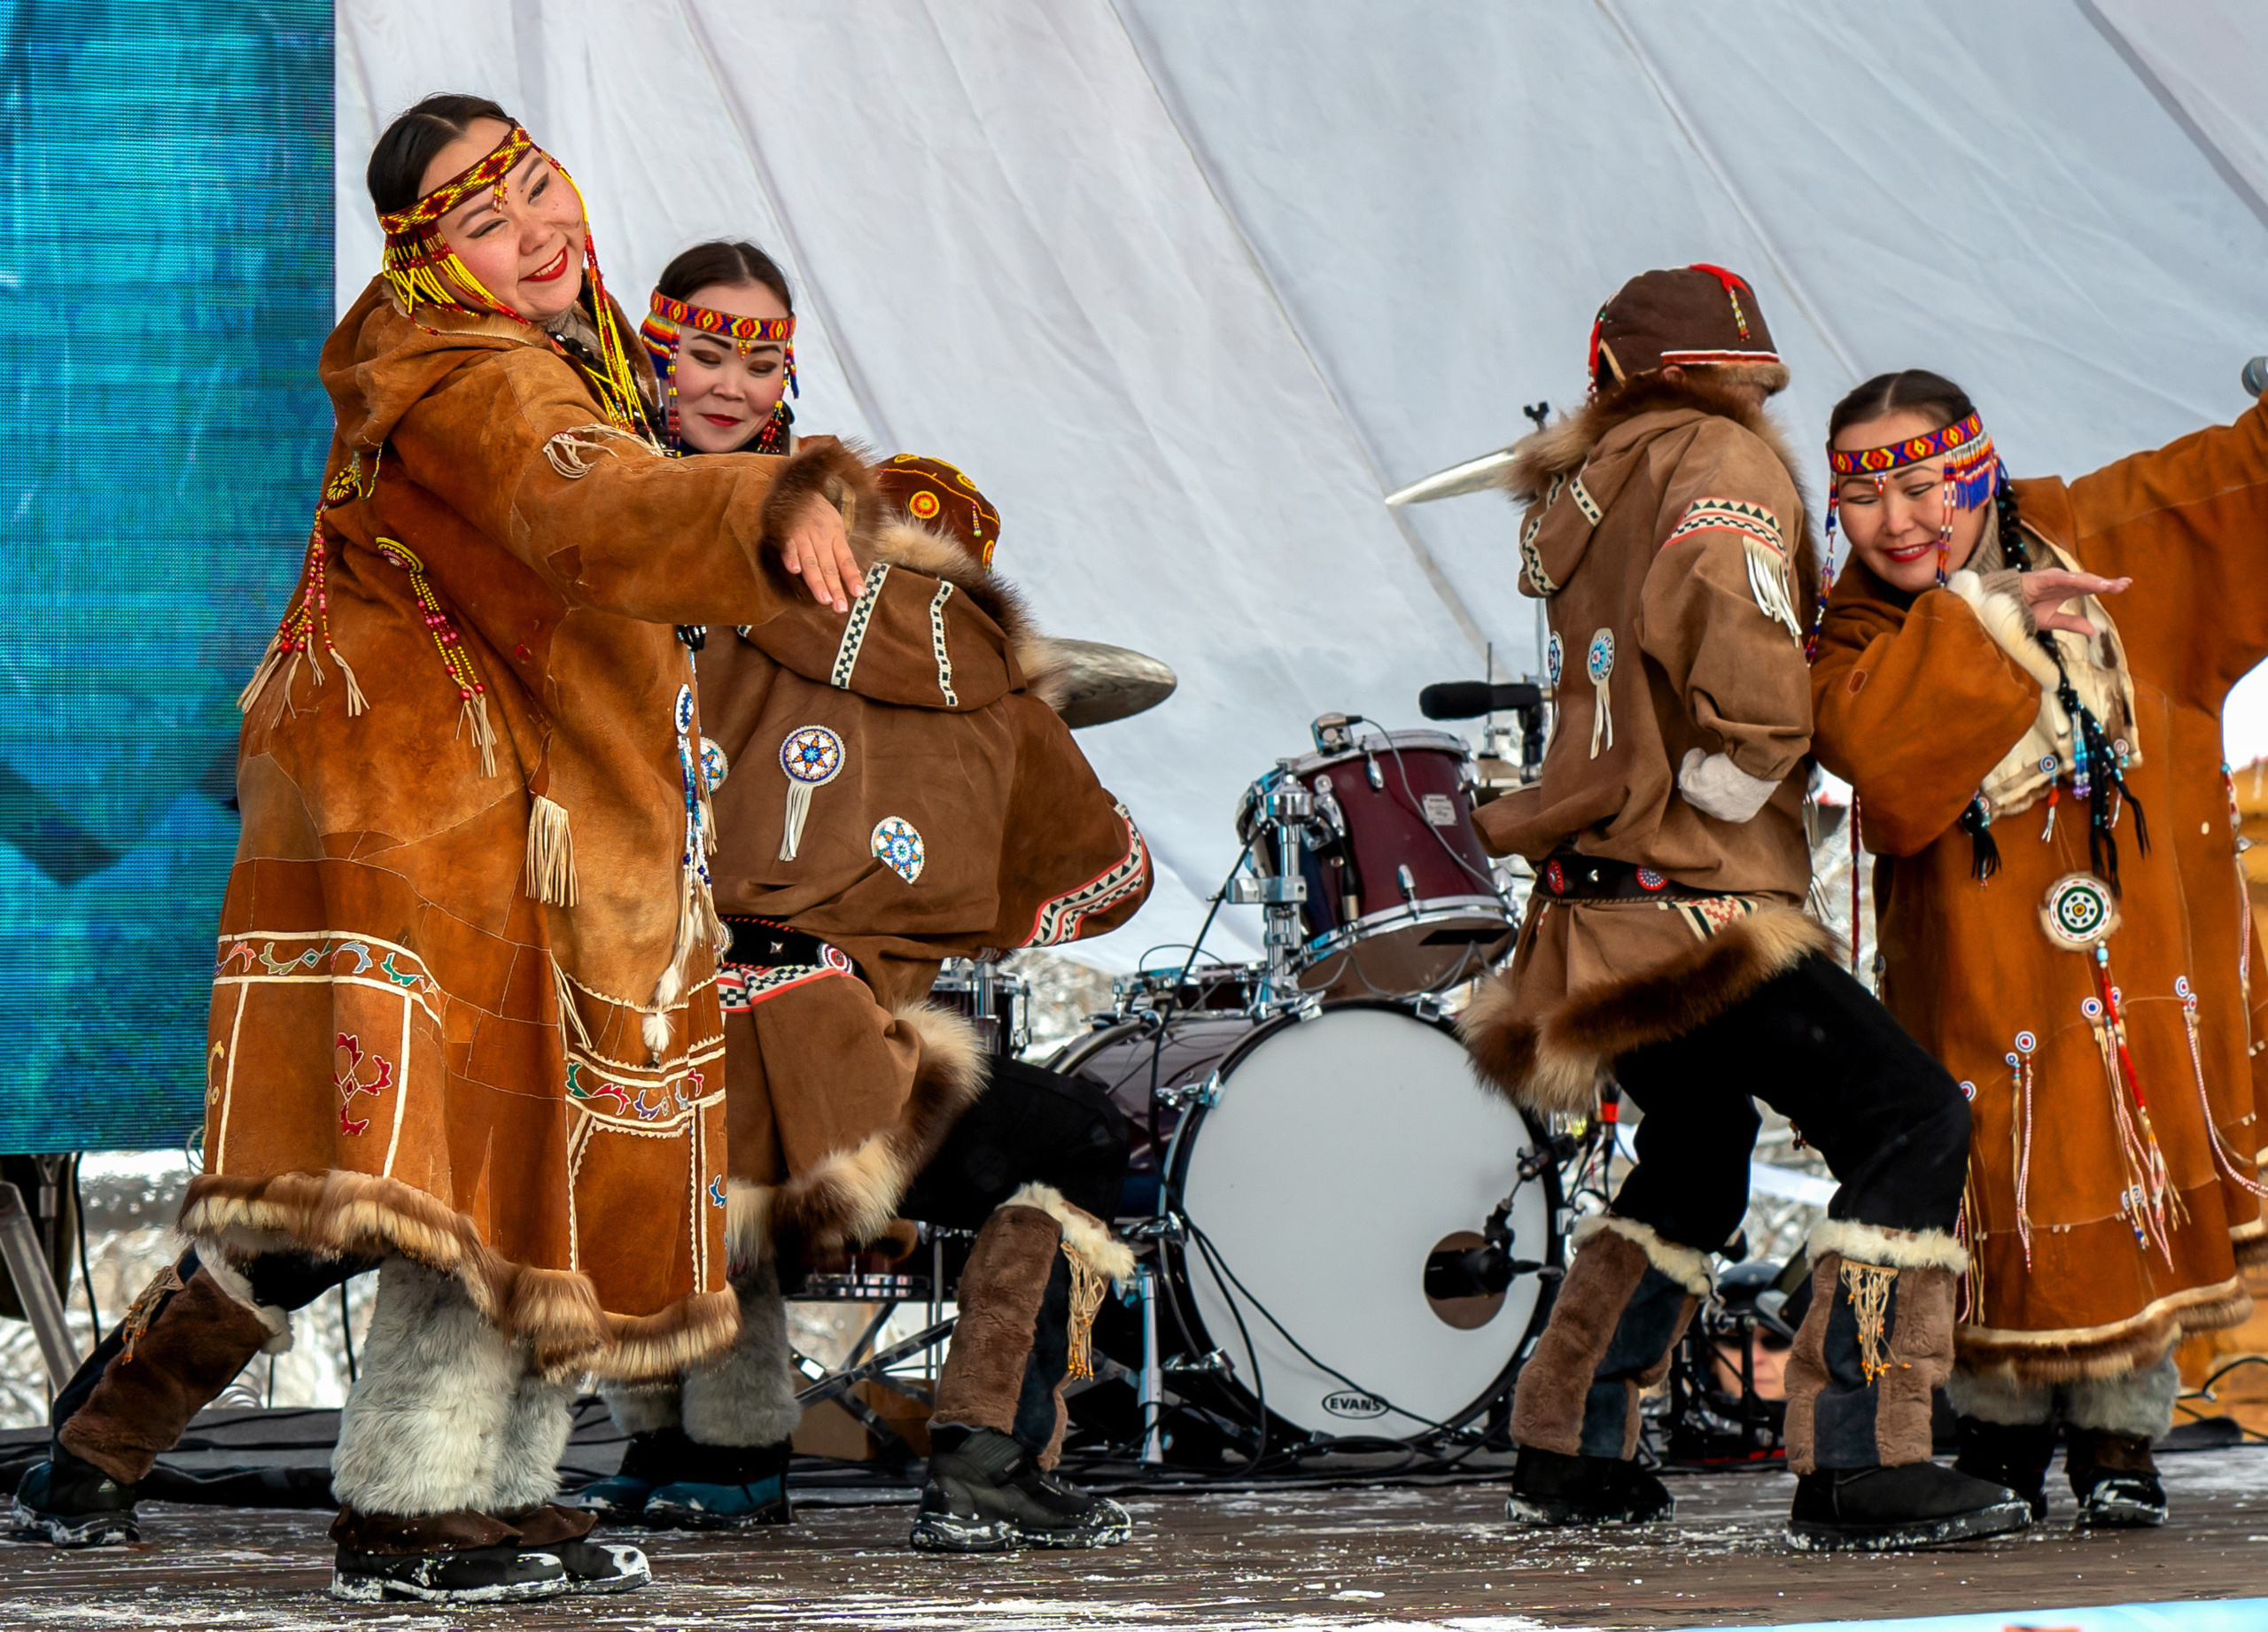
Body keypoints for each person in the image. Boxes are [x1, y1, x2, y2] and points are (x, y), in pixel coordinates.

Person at [39, 95, 886, 1605]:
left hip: (538, 818)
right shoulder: (470, 371)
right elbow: (592, 498)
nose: (538, 229)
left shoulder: (579, 347)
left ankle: (491, 1493)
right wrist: (769, 500)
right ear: (435, 260)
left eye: (537, 188)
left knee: (517, 1183)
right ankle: (407, 1508)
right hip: (463, 836)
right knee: (446, 1196)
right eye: (487, 223)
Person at [570, 247, 1151, 1552]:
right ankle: (985, 1460)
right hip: (792, 1043)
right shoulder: (922, 620)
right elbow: (1103, 880)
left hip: (619, 1028)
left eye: (758, 359)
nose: (730, 382)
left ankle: (701, 1448)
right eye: (709, 353)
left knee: (718, 1156)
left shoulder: (602, 515)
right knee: (1071, 1143)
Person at [1458, 267, 2026, 1550]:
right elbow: (1732, 619)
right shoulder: (1721, 456)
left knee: (1700, 1152)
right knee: (1912, 1115)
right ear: (1741, 371)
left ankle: (1567, 1437)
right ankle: (1861, 1458)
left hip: (1595, 913)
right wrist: (1752, 760)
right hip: (1700, 908)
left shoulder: (1576, 490)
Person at [1807, 369, 2268, 1527]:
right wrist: (1983, 619)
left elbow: (2229, 493)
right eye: (1865, 498)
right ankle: (2001, 1428)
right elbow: (1879, 757)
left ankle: (2123, 1432)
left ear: (1980, 465)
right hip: (1978, 963)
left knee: (2133, 1147)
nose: (1900, 520)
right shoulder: (1857, 625)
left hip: (2135, 931)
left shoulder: (2098, 527)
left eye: (1924, 483)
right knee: (2004, 1164)